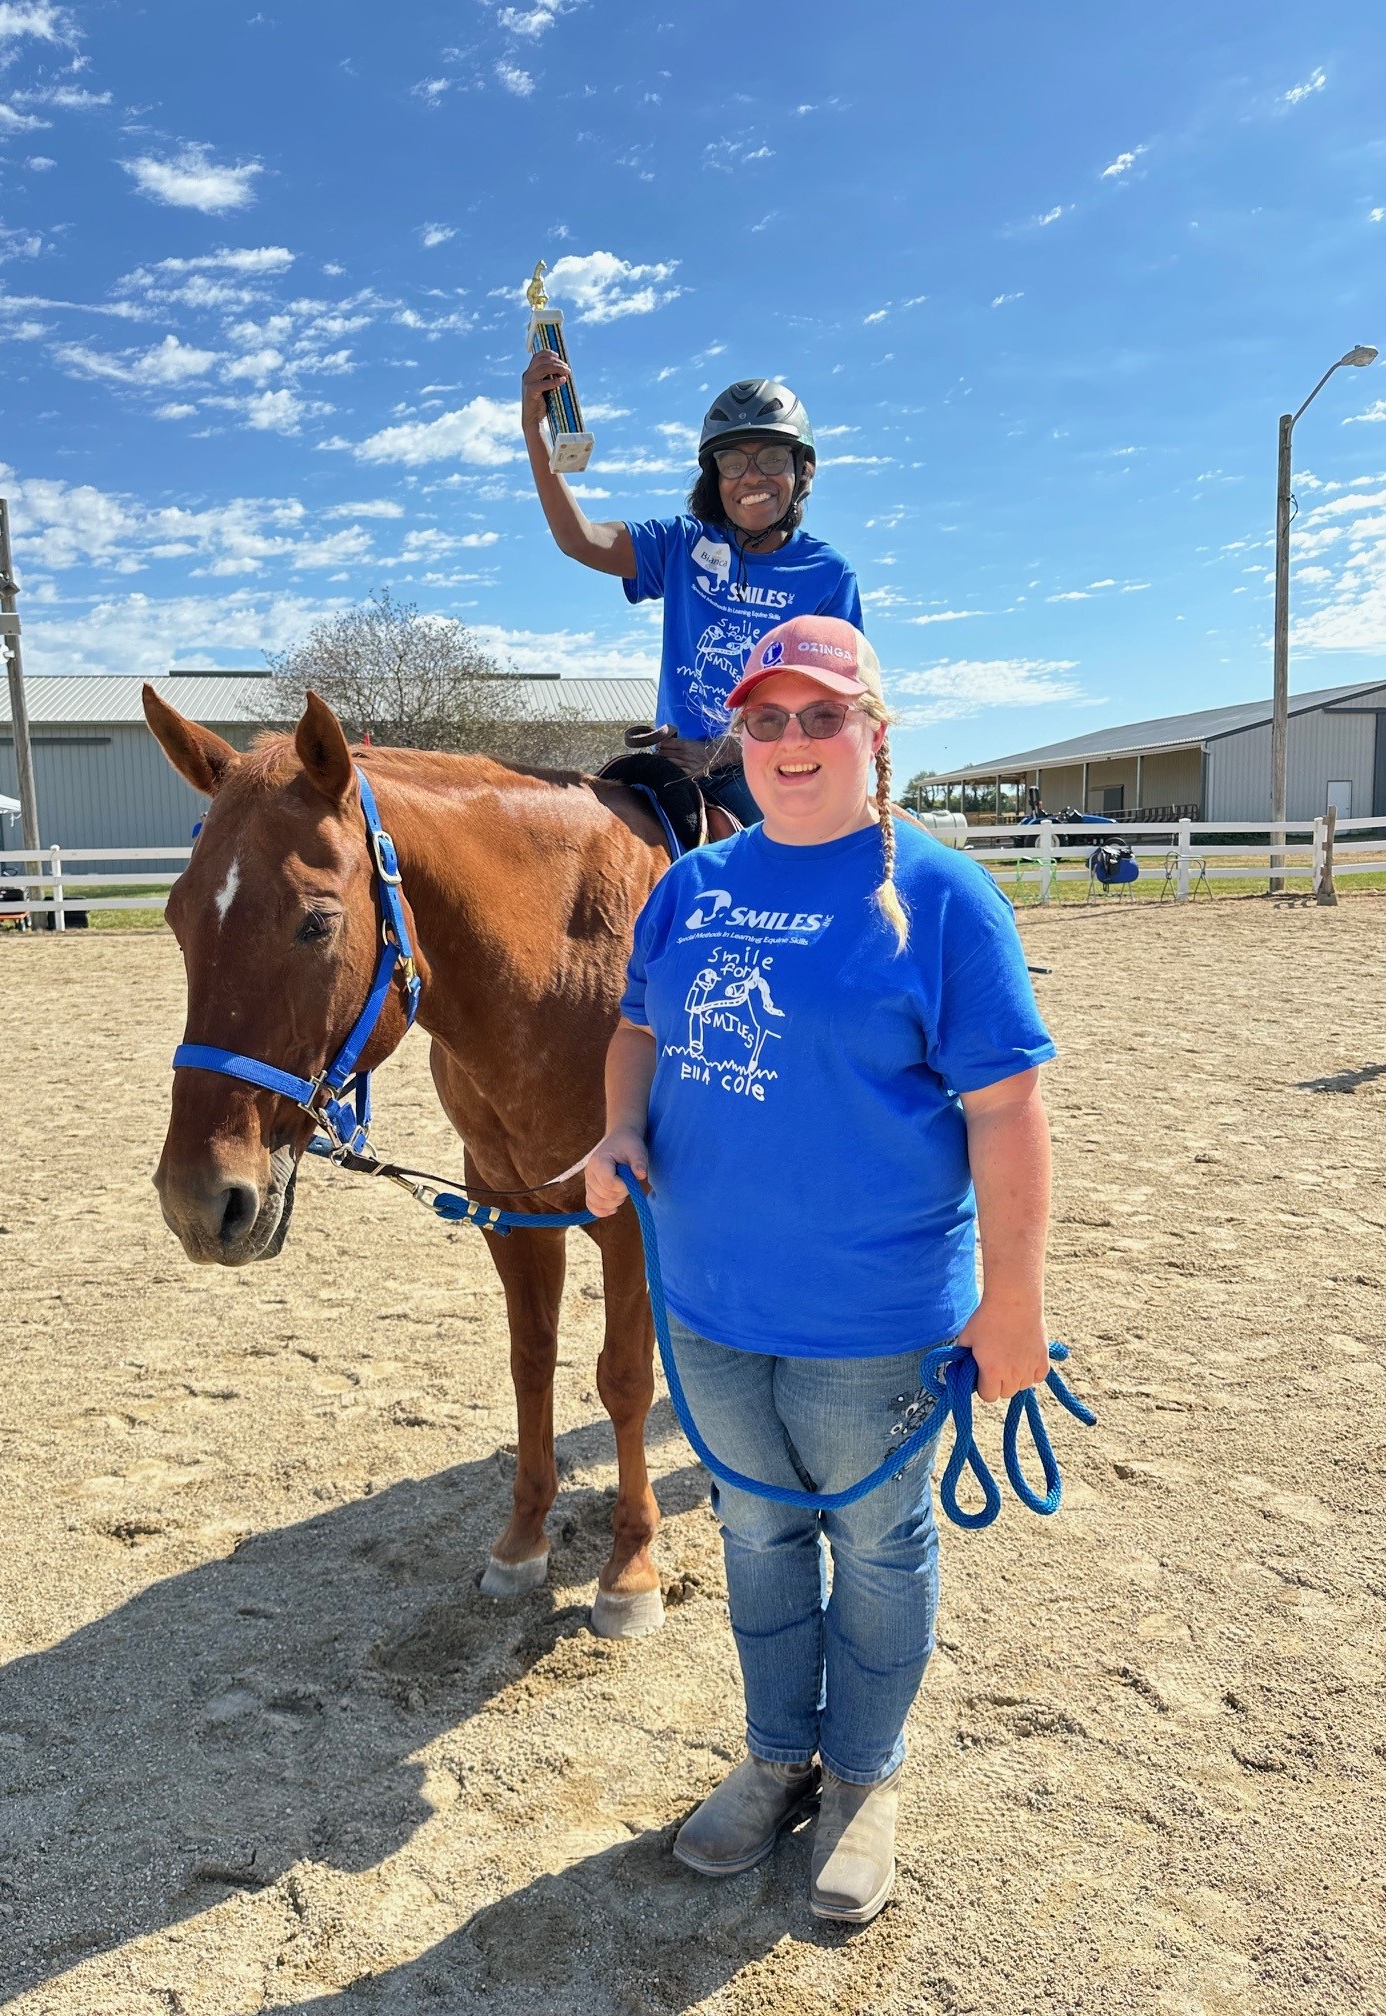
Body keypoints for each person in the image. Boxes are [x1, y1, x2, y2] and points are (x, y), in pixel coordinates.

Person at [584, 614, 1056, 1923]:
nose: (791, 742)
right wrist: (621, 1124)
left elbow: (1008, 1110)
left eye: (821, 716)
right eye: (767, 719)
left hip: (875, 1314)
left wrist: (1012, 1301)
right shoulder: (693, 887)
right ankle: (776, 1755)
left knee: (878, 1543)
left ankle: (862, 1778)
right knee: (753, 1532)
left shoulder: (944, 898)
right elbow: (636, 1029)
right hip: (713, 1304)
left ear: (874, 734)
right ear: (739, 739)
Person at [520, 361, 863, 823]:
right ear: (714, 478)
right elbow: (578, 539)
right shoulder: (682, 544)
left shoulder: (828, 574)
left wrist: (725, 753)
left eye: (772, 459)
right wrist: (534, 427)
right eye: (733, 463)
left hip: (765, 767)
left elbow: (834, 703)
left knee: (776, 857)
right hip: (673, 764)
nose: (752, 477)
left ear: (803, 470)